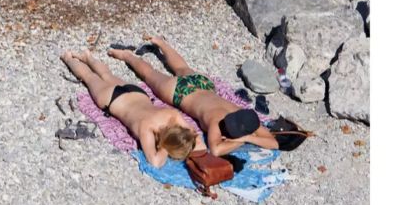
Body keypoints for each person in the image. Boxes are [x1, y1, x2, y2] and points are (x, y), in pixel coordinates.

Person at [109, 36, 278, 157]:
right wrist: (243, 139)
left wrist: (249, 136)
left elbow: (274, 143)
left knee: (182, 67)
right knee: (150, 75)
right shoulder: (216, 123)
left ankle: (161, 43)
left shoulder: (242, 114)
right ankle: (126, 55)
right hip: (180, 92)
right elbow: (216, 150)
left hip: (204, 84)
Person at [60, 49, 203, 168]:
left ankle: (88, 57)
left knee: (106, 75)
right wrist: (166, 147)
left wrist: (184, 139)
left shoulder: (172, 115)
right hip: (113, 99)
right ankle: (67, 58)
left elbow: (191, 131)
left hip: (136, 92)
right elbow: (155, 162)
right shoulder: (147, 129)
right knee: (88, 77)